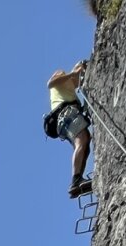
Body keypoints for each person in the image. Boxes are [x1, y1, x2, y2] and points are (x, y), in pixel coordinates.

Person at [48, 61, 93, 198]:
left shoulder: (68, 85)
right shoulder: (57, 83)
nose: (61, 72)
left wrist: (81, 67)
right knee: (82, 141)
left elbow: (77, 80)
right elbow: (50, 83)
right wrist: (73, 72)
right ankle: (76, 180)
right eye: (59, 73)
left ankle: (78, 180)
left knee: (85, 144)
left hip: (69, 115)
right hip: (67, 114)